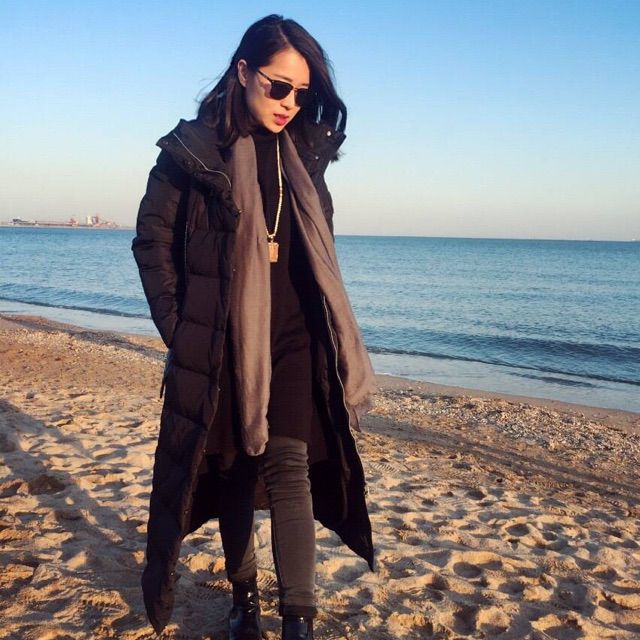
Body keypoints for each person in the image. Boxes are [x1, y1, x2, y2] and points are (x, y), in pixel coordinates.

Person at [132, 14, 377, 640]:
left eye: (302, 92)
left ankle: (298, 621)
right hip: (223, 340)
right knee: (235, 470)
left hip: (296, 335)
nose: (290, 103)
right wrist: (180, 328)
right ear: (243, 72)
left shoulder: (306, 155)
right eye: (279, 86)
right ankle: (244, 600)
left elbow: (318, 251)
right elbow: (152, 241)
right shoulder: (193, 152)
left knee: (289, 468)